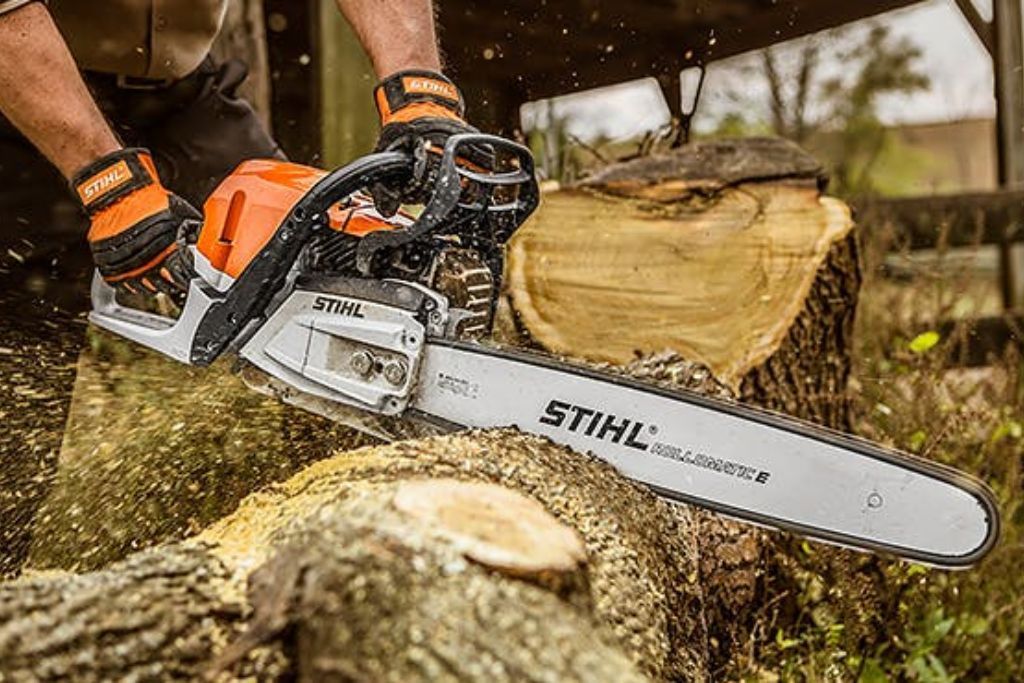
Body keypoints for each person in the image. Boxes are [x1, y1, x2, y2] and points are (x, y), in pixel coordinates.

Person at [0, 0, 484, 306]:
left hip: (177, 89)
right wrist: (108, 183)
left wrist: (418, 90)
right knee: (26, 334)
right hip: (24, 92)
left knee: (303, 252)